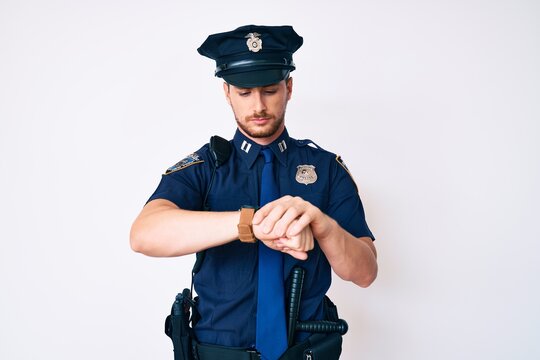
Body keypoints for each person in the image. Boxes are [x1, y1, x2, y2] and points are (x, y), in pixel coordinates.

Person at [130, 24, 378, 360]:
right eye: (244, 93)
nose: (258, 105)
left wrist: (321, 224)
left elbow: (364, 273)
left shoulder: (327, 169)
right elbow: (144, 234)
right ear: (227, 92)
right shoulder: (206, 167)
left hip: (305, 352)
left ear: (288, 87)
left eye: (269, 90)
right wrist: (251, 223)